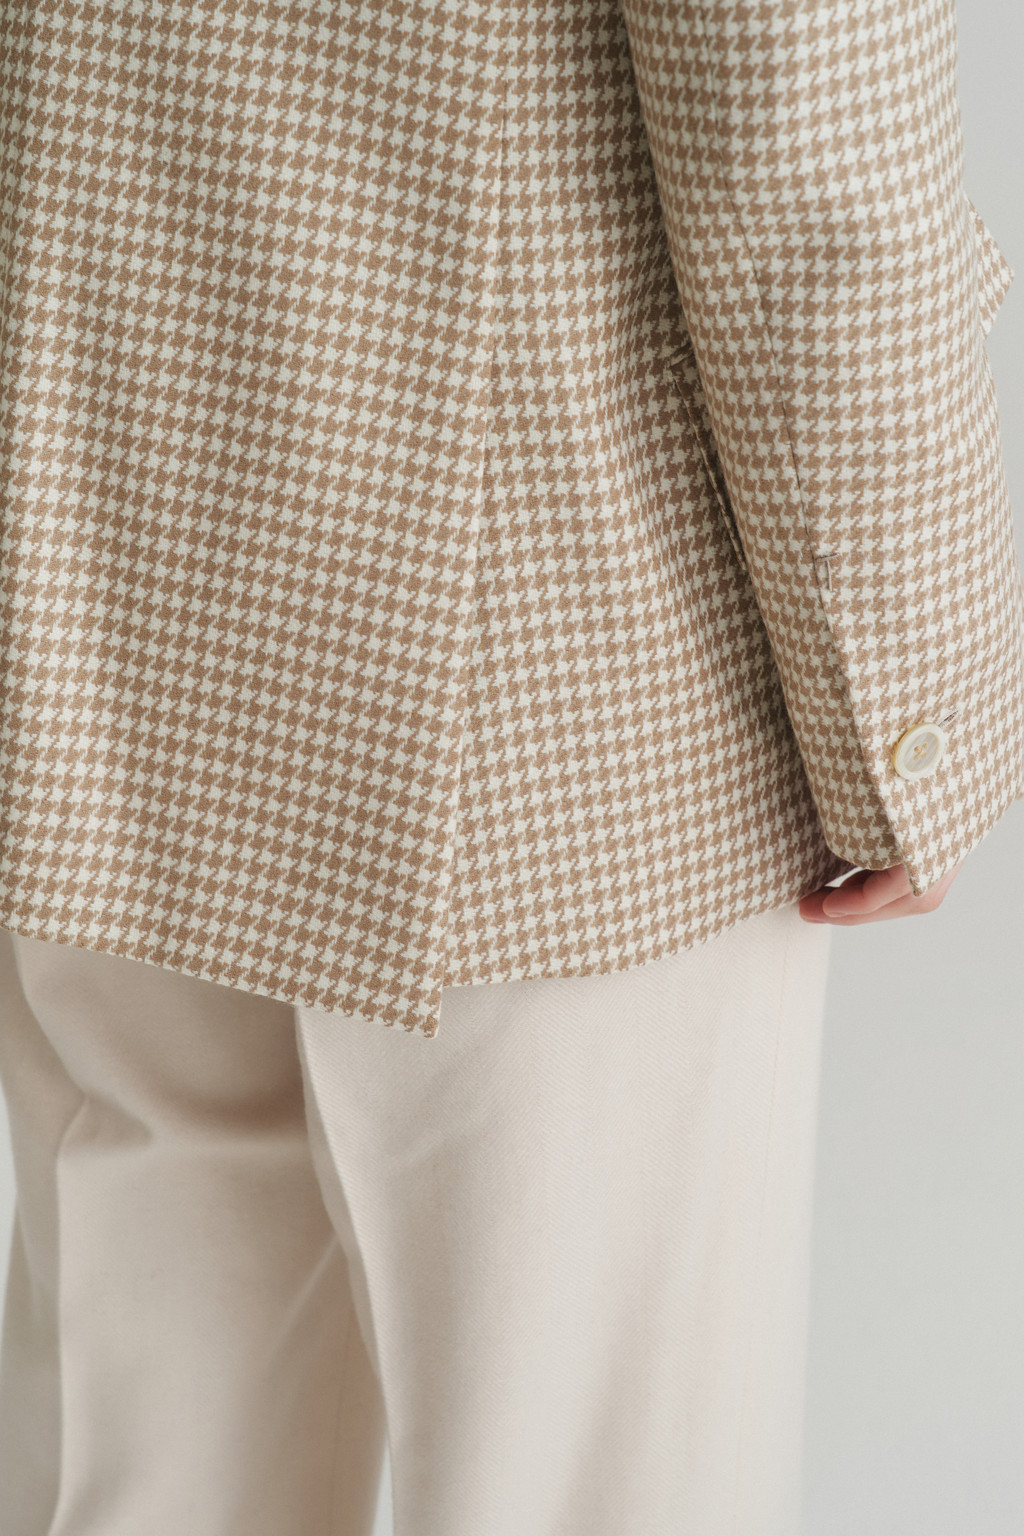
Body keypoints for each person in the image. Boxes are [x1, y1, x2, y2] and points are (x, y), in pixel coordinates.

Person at [0, 0, 1019, 1532]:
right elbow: (801, 95)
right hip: (561, 638)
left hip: (100, 545)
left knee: (149, 1464)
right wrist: (911, 704)